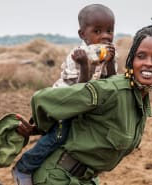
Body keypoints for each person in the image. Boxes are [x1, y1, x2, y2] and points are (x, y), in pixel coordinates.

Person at [16, 17, 152, 185]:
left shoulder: (140, 100)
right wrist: (40, 127)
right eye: (141, 56)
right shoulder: (111, 89)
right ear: (131, 60)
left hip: (86, 179)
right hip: (57, 178)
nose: (148, 64)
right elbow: (44, 99)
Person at [12, 4, 117, 185]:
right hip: (62, 104)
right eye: (97, 31)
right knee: (59, 135)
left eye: (109, 30)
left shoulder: (107, 54)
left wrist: (110, 62)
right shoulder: (76, 56)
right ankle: (24, 166)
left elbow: (111, 81)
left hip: (81, 107)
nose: (105, 36)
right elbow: (78, 92)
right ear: (82, 34)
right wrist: (84, 65)